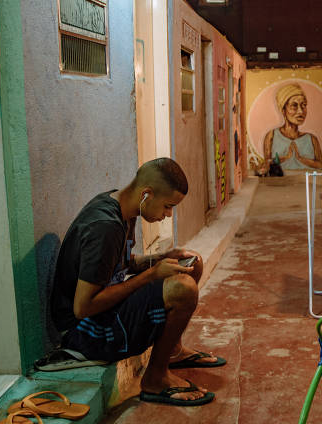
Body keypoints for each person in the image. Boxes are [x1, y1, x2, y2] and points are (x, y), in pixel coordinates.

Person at [48, 158, 224, 406]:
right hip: (83, 332)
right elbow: (83, 307)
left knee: (192, 262)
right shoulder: (105, 227)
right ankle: (155, 379)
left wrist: (160, 258)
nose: (168, 215)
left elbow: (122, 265)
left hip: (102, 312)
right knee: (183, 289)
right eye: (167, 206)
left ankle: (172, 352)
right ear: (146, 194)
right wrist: (151, 275)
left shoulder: (123, 209)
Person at [262, 83, 322, 172]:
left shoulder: (312, 139)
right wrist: (286, 157)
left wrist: (300, 158)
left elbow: (321, 165)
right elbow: (266, 166)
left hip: (307, 183)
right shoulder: (271, 135)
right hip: (278, 184)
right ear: (283, 110)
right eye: (294, 106)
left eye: (303, 105)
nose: (300, 111)